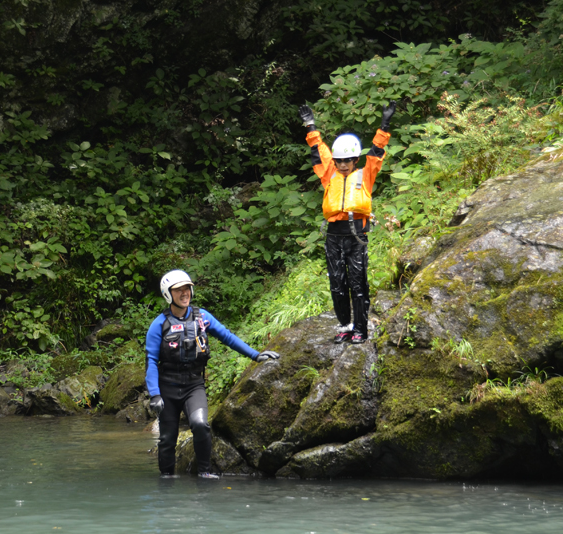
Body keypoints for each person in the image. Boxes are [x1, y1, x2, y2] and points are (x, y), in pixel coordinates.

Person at [145, 270, 280, 478]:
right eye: (178, 290)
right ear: (168, 294)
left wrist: (256, 355)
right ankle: (167, 480)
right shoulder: (159, 325)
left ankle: (204, 473)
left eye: (187, 288)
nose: (184, 293)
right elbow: (151, 361)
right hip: (167, 388)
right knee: (167, 438)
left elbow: (227, 337)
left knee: (200, 424)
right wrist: (155, 394)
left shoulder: (203, 318)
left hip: (193, 385)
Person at [298, 101, 396, 344]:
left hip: (356, 235)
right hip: (334, 235)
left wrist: (384, 125)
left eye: (347, 161)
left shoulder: (365, 175)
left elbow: (376, 152)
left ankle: (360, 328)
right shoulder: (329, 175)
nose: (342, 165)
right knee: (337, 284)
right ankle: (345, 325)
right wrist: (310, 126)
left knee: (357, 282)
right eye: (339, 161)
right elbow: (318, 151)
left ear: (354, 160)